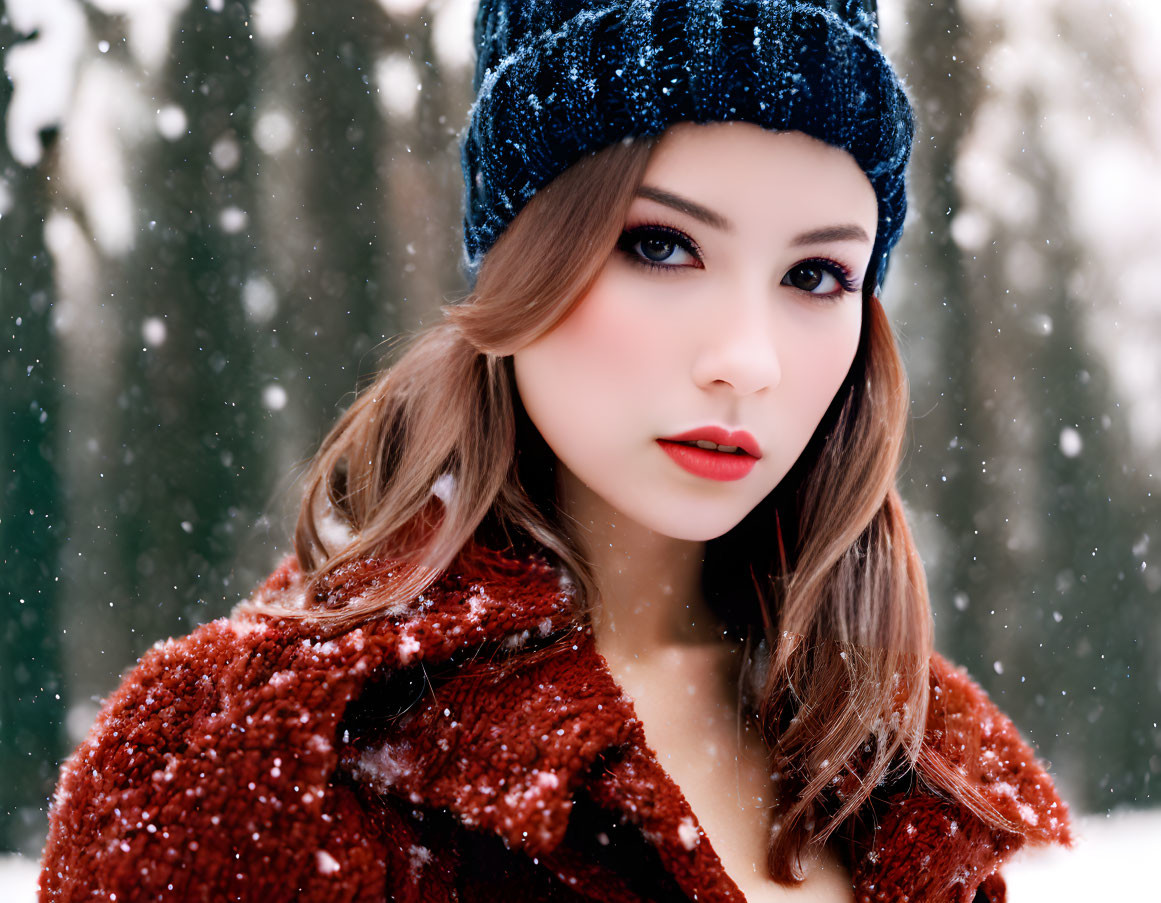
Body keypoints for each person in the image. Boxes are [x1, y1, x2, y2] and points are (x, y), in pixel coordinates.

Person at [39, 1, 1072, 900]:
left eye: (815, 276)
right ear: (520, 262)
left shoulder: (891, 750)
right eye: (661, 244)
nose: (747, 361)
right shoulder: (251, 757)